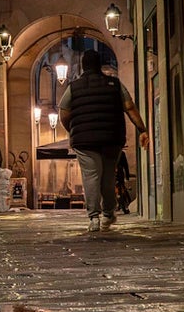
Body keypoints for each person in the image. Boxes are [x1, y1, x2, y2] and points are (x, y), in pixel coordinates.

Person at [56, 51, 148, 234]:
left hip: (84, 140)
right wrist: (142, 129)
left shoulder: (74, 87)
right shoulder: (114, 84)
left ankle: (94, 218)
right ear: (99, 65)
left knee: (91, 176)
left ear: (83, 66)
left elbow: (64, 113)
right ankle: (108, 213)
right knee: (108, 176)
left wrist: (73, 130)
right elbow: (129, 107)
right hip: (111, 138)